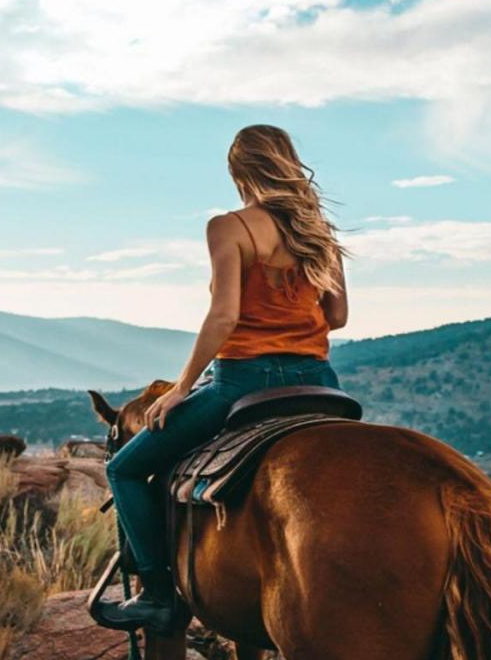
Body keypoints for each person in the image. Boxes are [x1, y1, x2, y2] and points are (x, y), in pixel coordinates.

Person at [96, 124, 349, 633]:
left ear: (239, 173)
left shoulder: (228, 227)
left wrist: (183, 388)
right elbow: (338, 316)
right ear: (289, 163)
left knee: (124, 469)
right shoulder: (318, 231)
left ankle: (158, 595)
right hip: (317, 380)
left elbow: (223, 317)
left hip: (242, 383)